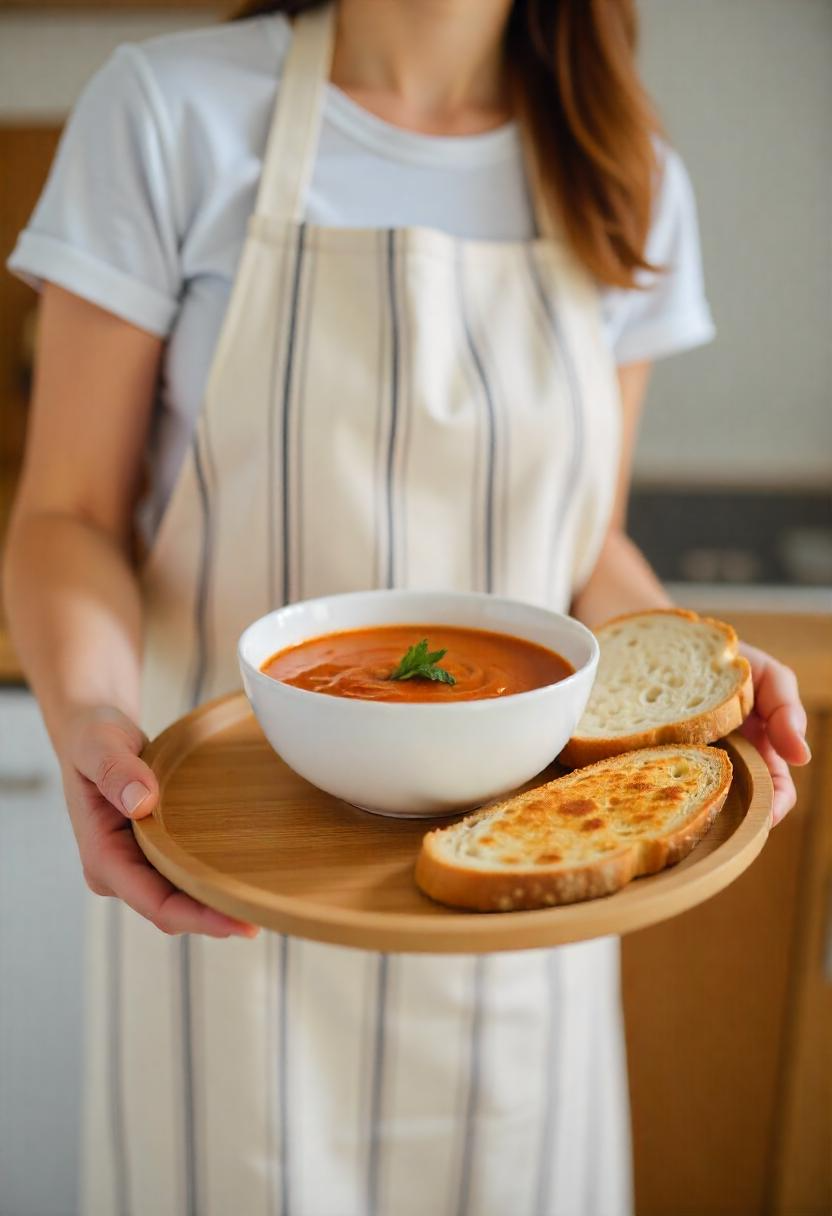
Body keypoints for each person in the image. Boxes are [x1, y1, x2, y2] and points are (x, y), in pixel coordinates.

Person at [4, 1, 810, 1213]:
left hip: (524, 900)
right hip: (225, 878)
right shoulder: (166, 113)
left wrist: (695, 675)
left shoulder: (626, 170)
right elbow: (66, 512)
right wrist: (88, 717)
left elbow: (583, 543)